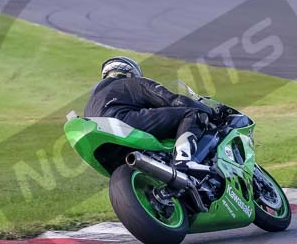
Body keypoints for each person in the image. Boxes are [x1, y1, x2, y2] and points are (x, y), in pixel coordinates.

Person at [84, 56, 227, 171]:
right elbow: (172, 100)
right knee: (190, 114)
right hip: (124, 121)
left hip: (105, 145)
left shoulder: (92, 100)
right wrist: (211, 111)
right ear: (131, 72)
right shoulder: (132, 82)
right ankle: (183, 160)